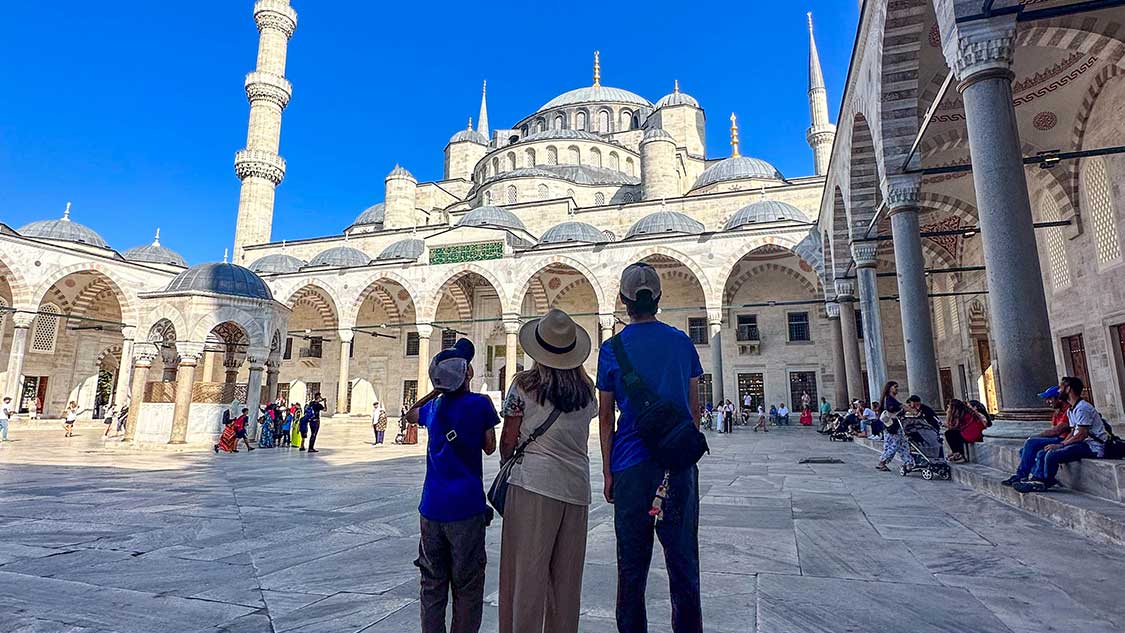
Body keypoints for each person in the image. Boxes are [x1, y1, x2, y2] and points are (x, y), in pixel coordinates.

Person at [597, 262, 703, 633]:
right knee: (683, 565)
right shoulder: (681, 341)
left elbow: (606, 417)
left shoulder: (612, 349)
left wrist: (609, 472)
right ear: (658, 298)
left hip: (630, 468)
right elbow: (695, 408)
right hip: (677, 467)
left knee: (631, 569)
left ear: (624, 302)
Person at [497, 310, 597, 633]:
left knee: (526, 579)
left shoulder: (523, 386)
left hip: (532, 489)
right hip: (576, 490)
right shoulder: (586, 390)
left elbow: (508, 443)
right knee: (567, 584)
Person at [405, 337, 498, 633]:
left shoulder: (433, 410)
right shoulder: (480, 404)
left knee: (432, 584)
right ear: (468, 374)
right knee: (468, 585)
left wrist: (437, 391)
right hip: (466, 509)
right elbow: (489, 447)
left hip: (431, 509)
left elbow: (410, 414)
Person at [1012, 377, 1109, 493]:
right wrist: (1058, 444)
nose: (1059, 391)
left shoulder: (1083, 408)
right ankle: (1037, 479)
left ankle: (1043, 481)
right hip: (1082, 443)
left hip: (1093, 447)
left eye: (1061, 387)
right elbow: (1073, 432)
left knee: (1052, 455)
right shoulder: (1072, 409)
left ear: (1068, 389)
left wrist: (1061, 445)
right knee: (1044, 452)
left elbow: (1081, 434)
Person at [876, 381, 911, 472]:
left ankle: (908, 463)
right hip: (892, 426)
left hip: (894, 426)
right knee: (895, 444)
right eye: (895, 387)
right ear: (890, 388)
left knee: (903, 444)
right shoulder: (889, 400)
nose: (897, 389)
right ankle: (882, 461)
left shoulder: (891, 399)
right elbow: (891, 410)